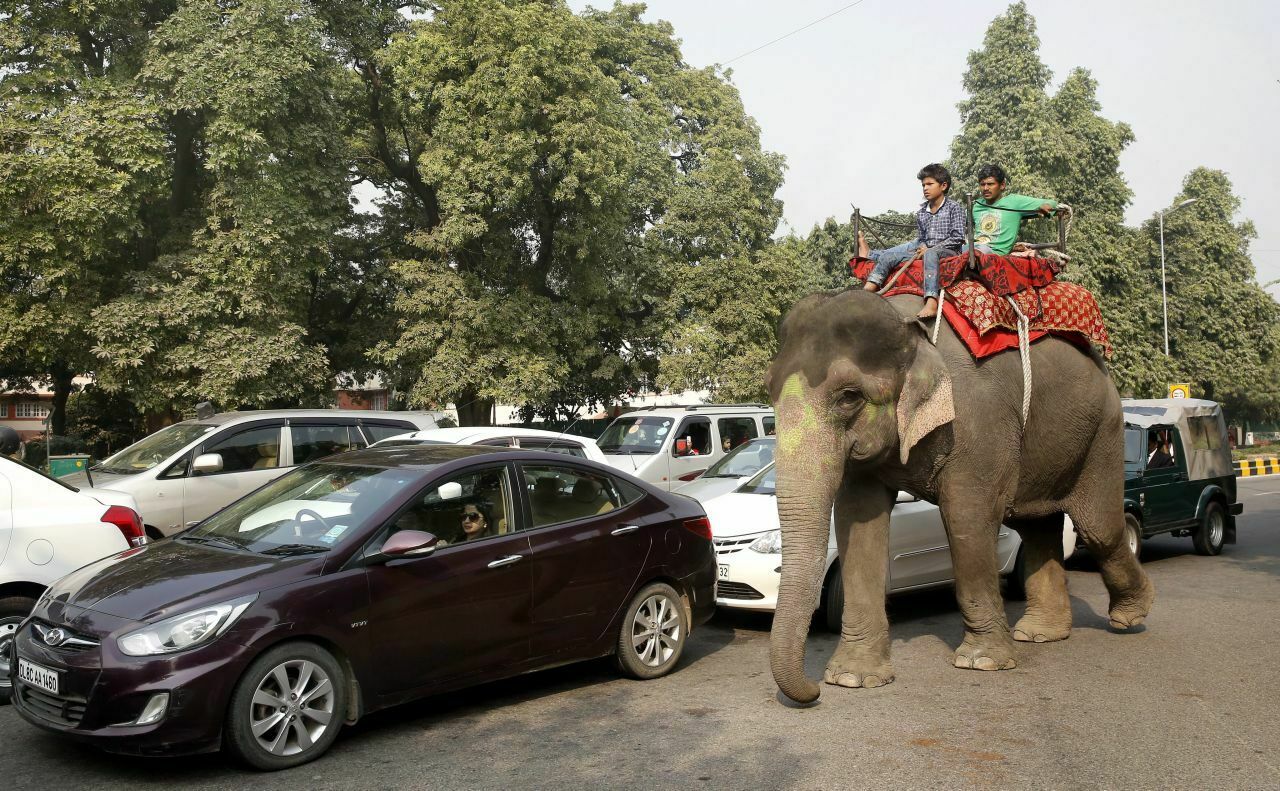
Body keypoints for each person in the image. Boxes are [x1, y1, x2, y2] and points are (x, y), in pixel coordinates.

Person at [860, 163, 966, 319]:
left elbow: (957, 237)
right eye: (923, 185)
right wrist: (923, 247)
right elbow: (922, 238)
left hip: (948, 251)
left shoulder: (954, 207)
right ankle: (868, 289)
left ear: (943, 186)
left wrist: (931, 249)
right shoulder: (922, 213)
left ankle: (931, 301)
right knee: (890, 257)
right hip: (925, 249)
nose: (925, 188)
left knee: (930, 254)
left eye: (930, 184)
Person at [970, 164, 1059, 257]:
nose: (985, 188)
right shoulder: (976, 205)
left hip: (995, 255)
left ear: (1002, 185)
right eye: (982, 184)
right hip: (975, 249)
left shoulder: (1014, 202)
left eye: (990, 184)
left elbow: (1052, 203)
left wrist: (1047, 206)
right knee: (959, 249)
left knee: (977, 251)